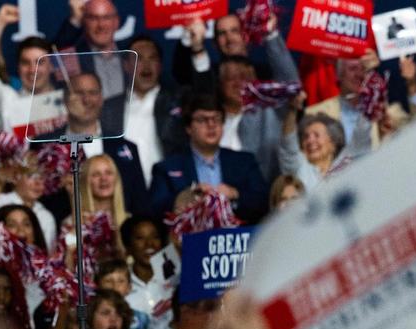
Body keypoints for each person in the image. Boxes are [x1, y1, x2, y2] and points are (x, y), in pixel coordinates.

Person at [190, 15, 299, 180]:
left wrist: (271, 35)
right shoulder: (212, 121)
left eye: (244, 77)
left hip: (266, 198)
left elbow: (290, 84)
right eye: (230, 78)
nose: (238, 83)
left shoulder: (271, 109)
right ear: (219, 85)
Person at [150, 94, 269, 223]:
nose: (211, 125)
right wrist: (179, 200)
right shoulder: (168, 167)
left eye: (217, 119)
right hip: (189, 240)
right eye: (202, 119)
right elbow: (153, 210)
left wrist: (235, 194)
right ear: (188, 128)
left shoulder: (244, 161)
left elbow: (263, 202)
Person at [59, 73, 150, 216]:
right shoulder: (46, 147)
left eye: (93, 93)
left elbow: (141, 207)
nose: (86, 100)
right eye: (79, 93)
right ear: (65, 100)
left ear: (101, 99)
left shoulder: (127, 148)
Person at [0, 5, 63, 138]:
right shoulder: (8, 100)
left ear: (52, 66)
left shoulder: (67, 101)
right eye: (26, 63)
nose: (33, 70)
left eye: (40, 62)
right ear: (18, 67)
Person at [115, 35, 188, 187]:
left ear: (160, 65)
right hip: (123, 189)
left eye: (152, 58)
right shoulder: (111, 107)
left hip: (168, 189)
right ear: (126, 65)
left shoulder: (179, 100)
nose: (146, 65)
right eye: (139, 59)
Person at [280, 103, 371, 191]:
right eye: (306, 137)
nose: (310, 141)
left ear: (333, 143)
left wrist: (370, 99)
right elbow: (288, 143)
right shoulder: (300, 168)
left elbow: (361, 136)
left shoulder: (345, 161)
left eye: (316, 135)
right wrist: (292, 110)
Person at [306, 51, 384, 150]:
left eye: (364, 69)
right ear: (338, 75)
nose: (359, 74)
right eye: (353, 69)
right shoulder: (314, 115)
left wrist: (410, 85)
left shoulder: (380, 109)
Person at [52, 0, 129, 101]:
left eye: (106, 18)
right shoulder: (73, 57)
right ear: (83, 21)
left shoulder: (129, 54)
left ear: (116, 22)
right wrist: (75, 19)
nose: (101, 25)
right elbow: (57, 54)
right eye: (93, 18)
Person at [0, 153, 58, 248]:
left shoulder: (46, 217)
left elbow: (48, 253)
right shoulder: (0, 201)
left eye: (42, 177)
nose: (38, 183)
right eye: (31, 176)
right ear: (15, 177)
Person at [97, 258, 149, 329]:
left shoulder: (142, 319)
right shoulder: (90, 318)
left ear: (129, 287)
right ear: (98, 286)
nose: (115, 286)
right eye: (108, 281)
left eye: (121, 281)